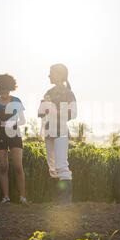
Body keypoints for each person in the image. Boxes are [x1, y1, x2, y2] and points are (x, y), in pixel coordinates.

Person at [38, 64, 77, 205]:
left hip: (61, 131)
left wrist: (52, 110)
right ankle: (56, 200)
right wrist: (43, 105)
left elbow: (73, 113)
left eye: (51, 73)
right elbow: (41, 113)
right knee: (52, 167)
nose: (49, 75)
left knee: (61, 165)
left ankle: (65, 201)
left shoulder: (68, 93)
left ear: (59, 75)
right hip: (49, 131)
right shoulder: (48, 92)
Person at [0, 74, 28, 205]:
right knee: (3, 167)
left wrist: (12, 122)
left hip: (14, 133)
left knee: (17, 166)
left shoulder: (16, 101)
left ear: (10, 89)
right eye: (1, 91)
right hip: (0, 135)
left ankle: (23, 197)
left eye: (6, 91)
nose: (3, 93)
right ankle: (6, 197)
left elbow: (22, 120)